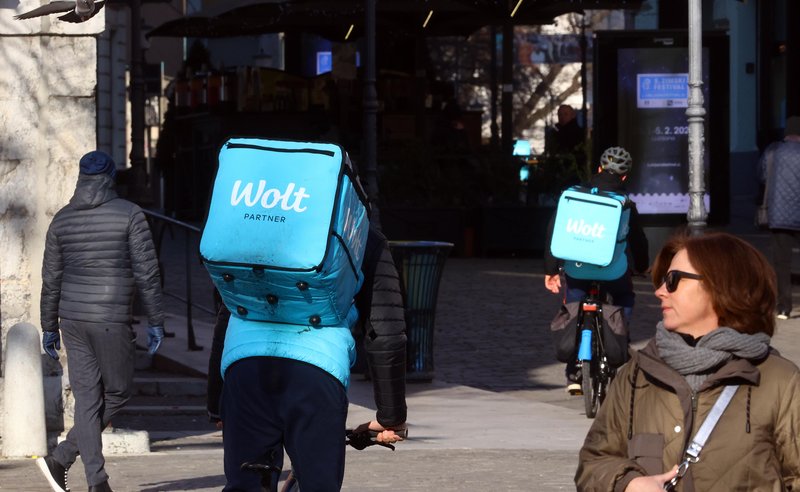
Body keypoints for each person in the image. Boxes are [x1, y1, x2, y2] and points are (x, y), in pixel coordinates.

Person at [575, 231, 800, 491]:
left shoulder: (780, 381)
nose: (659, 292)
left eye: (672, 281)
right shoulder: (637, 374)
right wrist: (628, 483)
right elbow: (593, 462)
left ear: (721, 286)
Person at [206, 223, 408, 491]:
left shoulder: (253, 220)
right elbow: (387, 334)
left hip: (244, 365)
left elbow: (228, 307)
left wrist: (216, 402)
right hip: (317, 370)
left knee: (246, 484)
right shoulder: (362, 235)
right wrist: (391, 416)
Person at [37, 151, 165, 492]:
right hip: (110, 317)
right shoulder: (130, 214)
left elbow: (50, 278)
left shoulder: (61, 220)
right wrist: (156, 319)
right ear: (111, 177)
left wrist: (49, 325)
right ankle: (71, 464)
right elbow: (147, 273)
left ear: (81, 179)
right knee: (119, 392)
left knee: (89, 401)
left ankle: (86, 475)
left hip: (73, 319)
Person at [544, 146, 649, 394]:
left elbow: (553, 233)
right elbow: (639, 241)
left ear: (599, 168)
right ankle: (619, 336)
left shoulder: (573, 194)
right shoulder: (625, 203)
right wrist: (642, 266)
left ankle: (574, 372)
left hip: (577, 271)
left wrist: (551, 270)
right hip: (613, 273)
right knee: (624, 297)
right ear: (624, 177)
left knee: (574, 306)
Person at [758, 115, 800, 320]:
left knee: (781, 263)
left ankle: (784, 307)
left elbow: (762, 176)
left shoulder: (773, 151)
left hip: (779, 214)